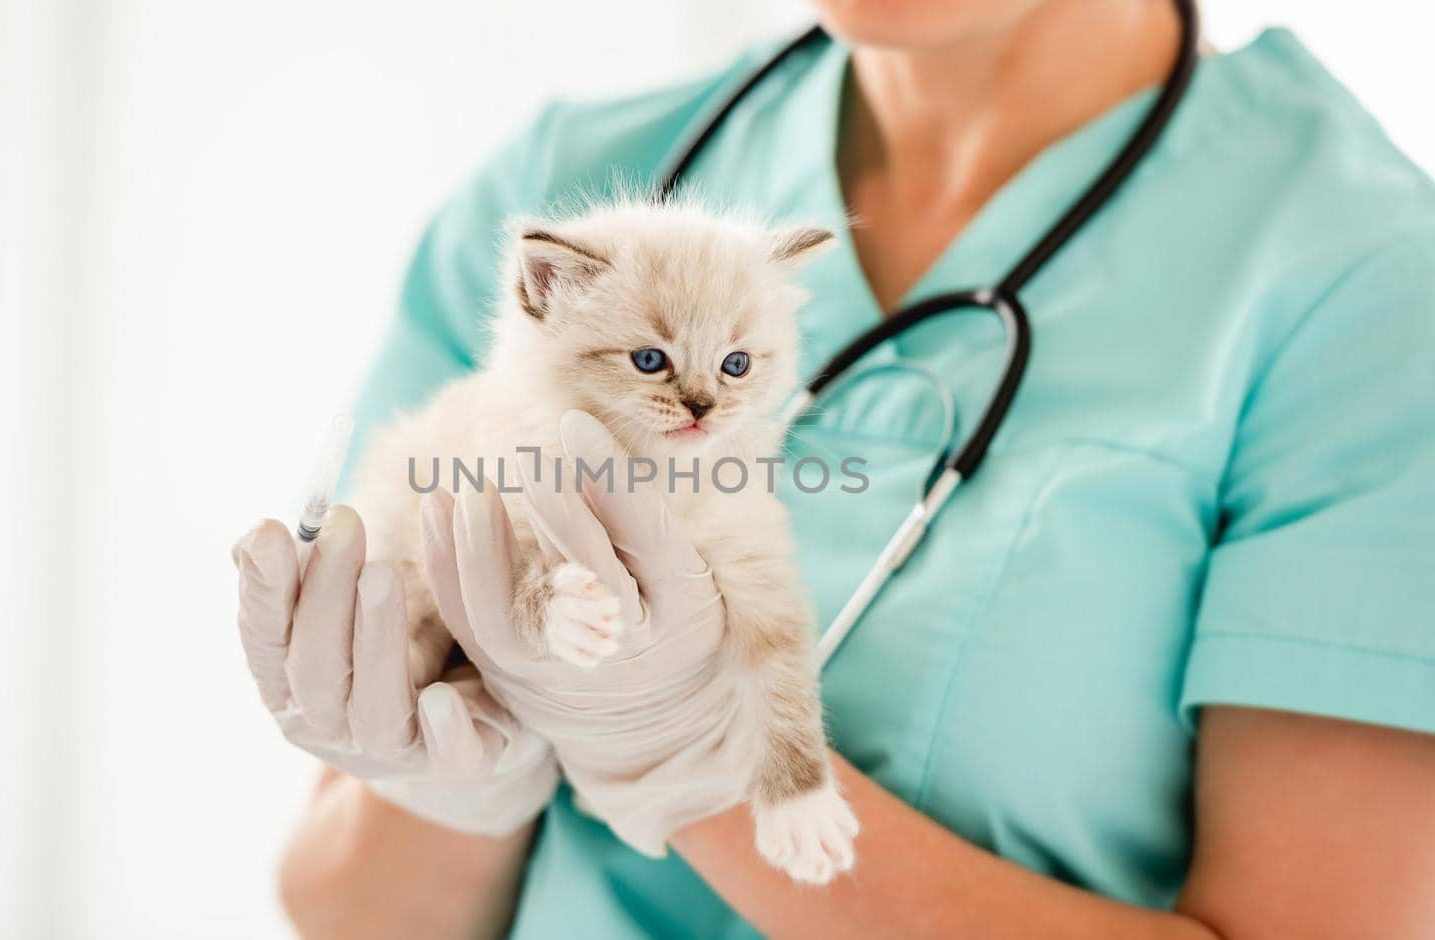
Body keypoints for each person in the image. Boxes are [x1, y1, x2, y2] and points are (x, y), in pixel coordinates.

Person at [231, 1, 1435, 936]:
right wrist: (459, 788)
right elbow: (340, 909)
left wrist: (697, 760)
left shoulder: (1362, 286)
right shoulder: (564, 198)